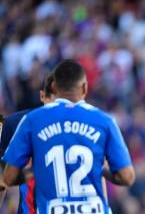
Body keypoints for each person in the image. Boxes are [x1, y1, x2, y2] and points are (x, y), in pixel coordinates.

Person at [2, 59, 135, 214]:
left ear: (53, 87)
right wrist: (99, 168)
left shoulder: (32, 120)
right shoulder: (104, 120)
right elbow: (127, 177)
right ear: (85, 88)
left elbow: (9, 177)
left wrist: (36, 169)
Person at [0, 72, 56, 213]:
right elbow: (2, 178)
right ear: (43, 96)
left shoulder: (81, 128)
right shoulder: (15, 124)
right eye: (55, 99)